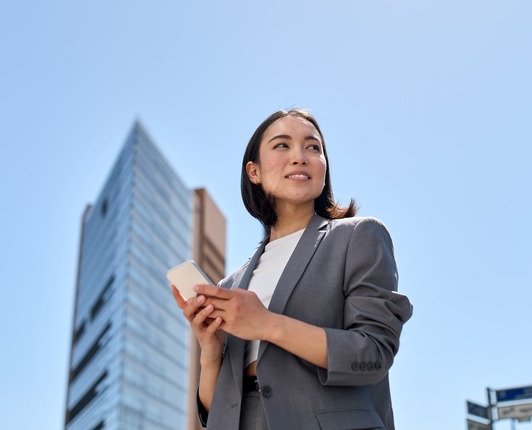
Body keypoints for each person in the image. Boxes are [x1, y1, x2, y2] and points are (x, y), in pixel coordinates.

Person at [171, 109, 413, 430]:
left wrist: (267, 324)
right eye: (282, 145)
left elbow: (373, 353)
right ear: (254, 171)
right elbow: (214, 413)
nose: (300, 157)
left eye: (313, 147)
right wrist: (211, 351)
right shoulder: (230, 285)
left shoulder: (358, 236)